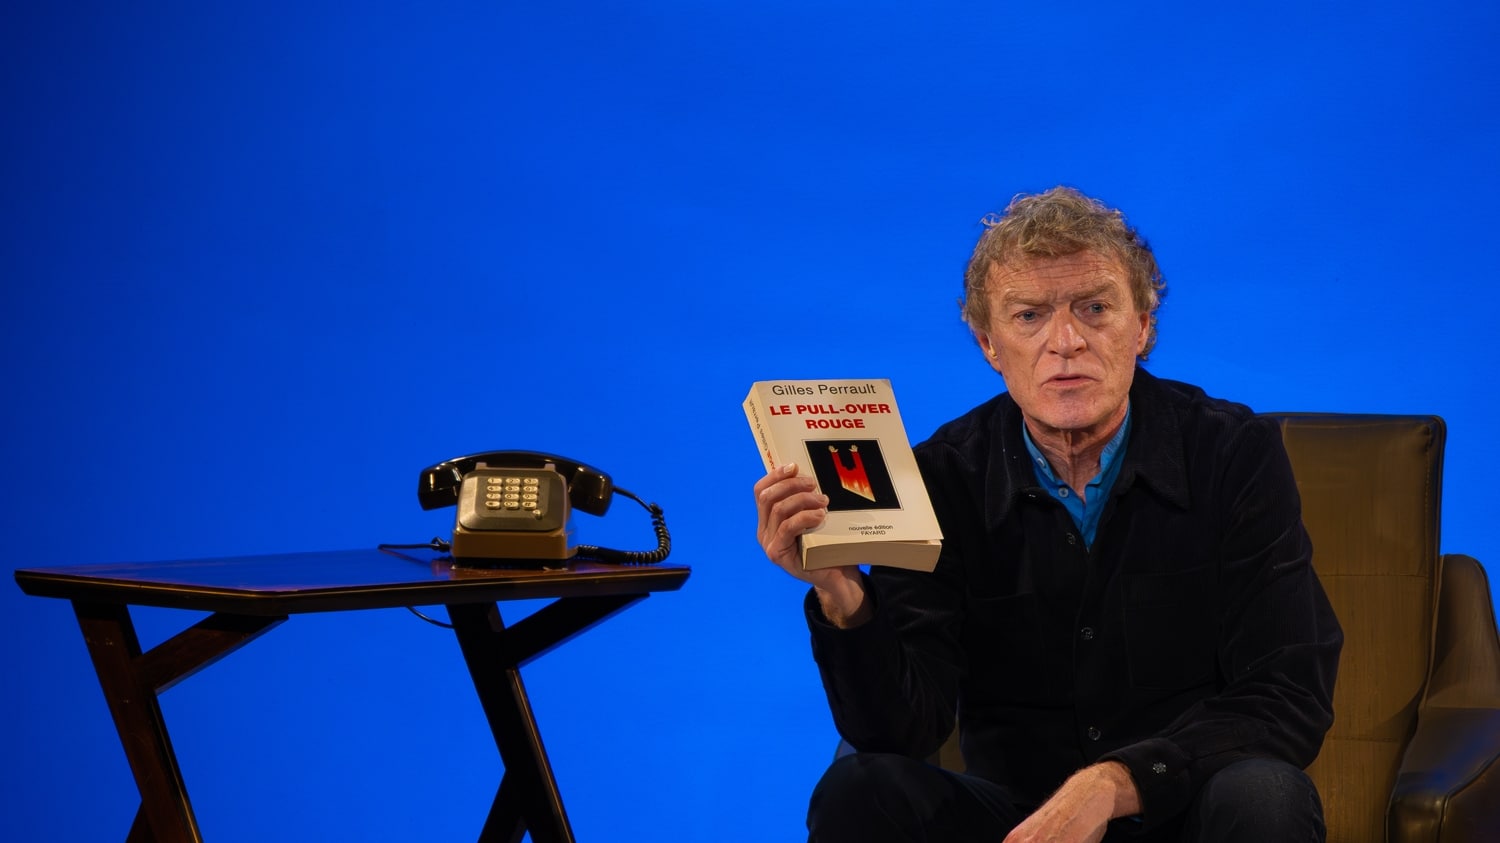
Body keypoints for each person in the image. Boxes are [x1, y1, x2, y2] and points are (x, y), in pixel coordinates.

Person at [753, 186, 1342, 843]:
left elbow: (1288, 694)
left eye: (1095, 308)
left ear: (1143, 326)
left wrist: (1115, 782)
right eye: (1029, 315)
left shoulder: (1233, 453)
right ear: (989, 344)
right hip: (1015, 822)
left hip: (1183, 811)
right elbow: (901, 734)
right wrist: (842, 594)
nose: (1065, 342)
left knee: (1267, 794)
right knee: (860, 790)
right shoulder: (940, 478)